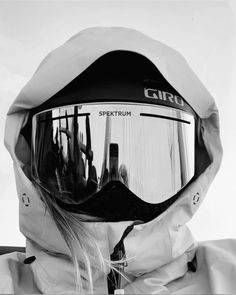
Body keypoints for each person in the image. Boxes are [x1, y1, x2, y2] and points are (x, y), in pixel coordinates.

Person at [2, 27, 236, 294]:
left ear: (198, 165)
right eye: (88, 175)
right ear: (31, 165)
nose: (115, 191)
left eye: (143, 165)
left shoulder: (227, 274)